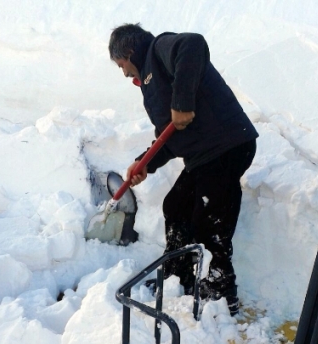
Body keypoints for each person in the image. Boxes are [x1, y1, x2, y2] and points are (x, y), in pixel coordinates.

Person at [108, 23, 258, 315]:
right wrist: (145, 163)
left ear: (129, 51)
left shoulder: (159, 49)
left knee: (209, 220)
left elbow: (193, 44)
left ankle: (221, 291)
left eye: (121, 64)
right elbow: (170, 135)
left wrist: (182, 102)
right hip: (204, 155)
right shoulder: (151, 84)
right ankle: (179, 274)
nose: (124, 72)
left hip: (226, 146)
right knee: (175, 205)